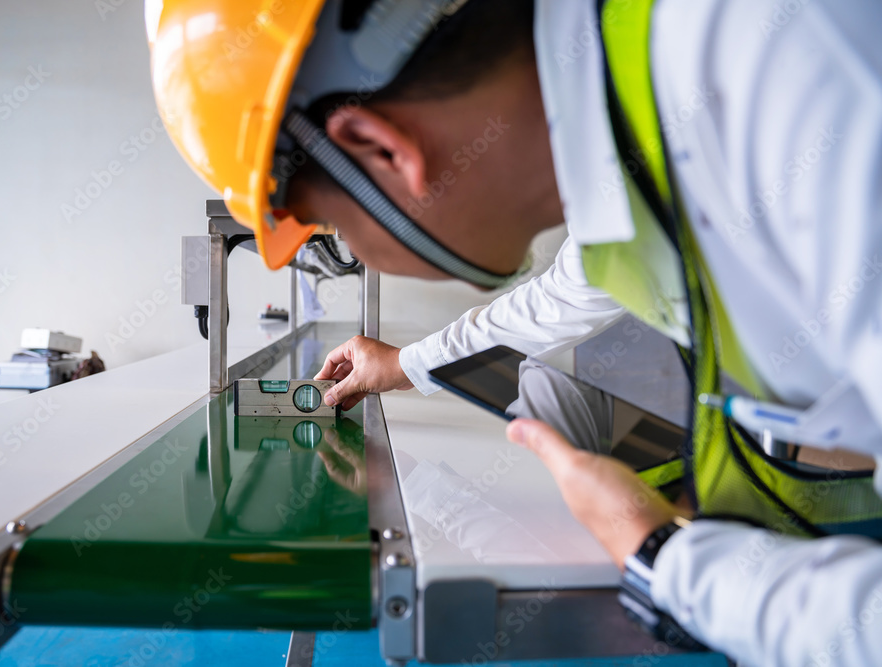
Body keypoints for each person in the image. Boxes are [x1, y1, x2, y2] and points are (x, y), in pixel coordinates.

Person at [148, 0, 882, 663]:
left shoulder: (773, 60)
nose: (355, 254)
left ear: (383, 149)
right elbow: (556, 300)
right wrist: (402, 363)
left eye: (337, 225)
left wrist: (664, 559)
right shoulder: (634, 101)